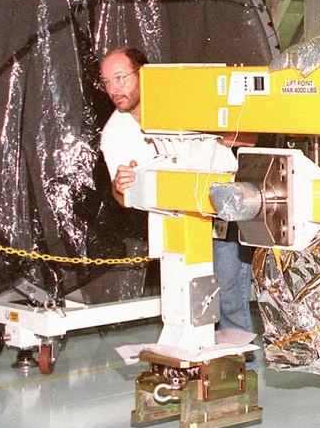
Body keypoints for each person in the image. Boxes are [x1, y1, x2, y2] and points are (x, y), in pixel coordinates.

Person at [97, 47, 256, 333]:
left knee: (230, 300)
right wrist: (120, 187)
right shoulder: (114, 134)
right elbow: (122, 198)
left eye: (120, 77)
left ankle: (244, 371)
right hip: (175, 226)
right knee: (186, 306)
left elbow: (250, 138)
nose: (113, 88)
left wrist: (214, 128)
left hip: (222, 217)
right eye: (106, 82)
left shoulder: (184, 100)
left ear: (144, 74)